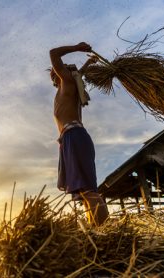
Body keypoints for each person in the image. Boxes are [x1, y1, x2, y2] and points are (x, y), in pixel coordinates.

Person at [49, 42, 109, 226]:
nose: (54, 72)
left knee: (89, 191)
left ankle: (104, 231)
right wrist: (89, 63)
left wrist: (77, 47)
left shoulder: (67, 82)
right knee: (85, 192)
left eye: (56, 70)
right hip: (71, 138)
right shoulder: (70, 85)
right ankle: (96, 232)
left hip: (74, 136)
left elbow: (53, 53)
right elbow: (79, 75)